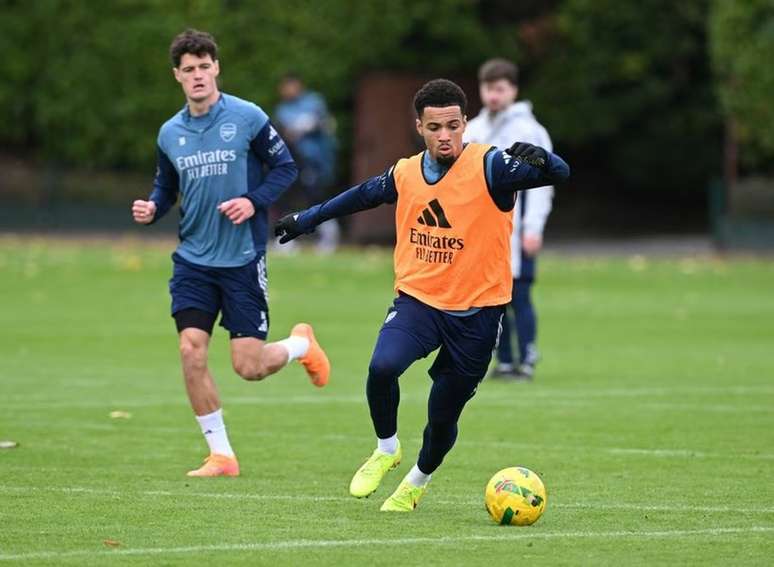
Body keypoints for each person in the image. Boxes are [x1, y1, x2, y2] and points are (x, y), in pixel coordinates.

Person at [275, 79, 569, 511]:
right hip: (420, 301)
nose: (445, 135)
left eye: (452, 126)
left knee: (442, 416)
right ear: (420, 127)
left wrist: (543, 158)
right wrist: (307, 219)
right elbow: (361, 196)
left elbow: (560, 174)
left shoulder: (492, 166)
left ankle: (417, 481)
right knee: (382, 367)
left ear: (465, 123)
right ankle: (386, 449)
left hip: (478, 314)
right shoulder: (406, 171)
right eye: (435, 128)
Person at [131, 29, 330, 478]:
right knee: (191, 350)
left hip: (241, 258)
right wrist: (153, 208)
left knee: (249, 367)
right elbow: (166, 186)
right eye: (189, 69)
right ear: (177, 76)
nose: (198, 75)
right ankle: (221, 455)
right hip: (193, 260)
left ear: (216, 68)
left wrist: (252, 201)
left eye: (204, 66)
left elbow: (285, 168)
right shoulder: (170, 132)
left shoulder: (247, 117)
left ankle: (300, 344)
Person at [465, 58, 555, 380]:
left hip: (517, 230)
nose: (493, 95)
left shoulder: (528, 131)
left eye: (500, 89)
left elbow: (543, 184)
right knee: (493, 297)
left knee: (520, 294)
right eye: (488, 88)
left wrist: (534, 228)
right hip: (485, 232)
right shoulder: (474, 130)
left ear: (513, 90)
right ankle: (503, 360)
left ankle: (527, 356)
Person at [274, 73, 340, 254]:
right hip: (292, 160)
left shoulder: (314, 101)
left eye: (289, 86)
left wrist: (310, 125)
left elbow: (325, 124)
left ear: (298, 85)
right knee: (286, 197)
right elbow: (284, 132)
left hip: (315, 160)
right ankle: (285, 238)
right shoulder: (283, 109)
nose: (287, 90)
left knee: (316, 197)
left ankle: (328, 237)